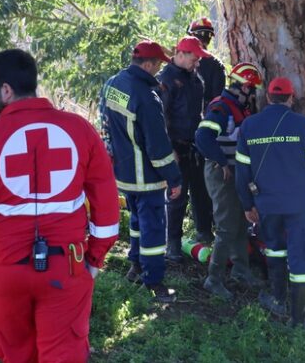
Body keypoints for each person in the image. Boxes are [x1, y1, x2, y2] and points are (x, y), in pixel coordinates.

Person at [0, 49, 119, 362]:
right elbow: (106, 204)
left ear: (7, 90)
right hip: (67, 265)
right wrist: (95, 259)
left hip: (5, 267)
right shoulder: (81, 130)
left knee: (15, 351)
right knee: (64, 351)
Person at [235, 77, 305, 326]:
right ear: (290, 98)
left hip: (266, 205)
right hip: (300, 206)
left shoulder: (249, 126)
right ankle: (300, 317)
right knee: (303, 259)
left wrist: (247, 205)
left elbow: (241, 172)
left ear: (268, 97)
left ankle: (278, 299)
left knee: (275, 249)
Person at [100, 40, 182, 302]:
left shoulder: (113, 83)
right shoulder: (146, 97)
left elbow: (105, 125)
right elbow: (157, 147)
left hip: (123, 173)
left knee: (136, 222)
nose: (158, 71)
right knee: (154, 229)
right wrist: (173, 177)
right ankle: (154, 281)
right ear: (147, 64)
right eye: (157, 65)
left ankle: (135, 266)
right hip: (146, 177)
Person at [195, 62, 264, 299]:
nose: (254, 95)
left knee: (239, 223)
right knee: (226, 226)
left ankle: (240, 271)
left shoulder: (238, 108)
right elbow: (203, 137)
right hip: (220, 172)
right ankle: (213, 279)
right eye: (252, 89)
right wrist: (222, 162)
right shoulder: (221, 108)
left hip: (235, 172)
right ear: (243, 87)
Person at [158, 35, 215, 260]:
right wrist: (168, 149)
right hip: (175, 147)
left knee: (202, 192)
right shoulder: (166, 80)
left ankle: (204, 232)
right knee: (176, 196)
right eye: (195, 58)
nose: (197, 63)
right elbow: (159, 117)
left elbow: (198, 113)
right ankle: (172, 243)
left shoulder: (196, 80)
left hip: (194, 145)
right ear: (180, 54)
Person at [187, 17, 226, 108]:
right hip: (208, 113)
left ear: (192, 36)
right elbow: (218, 96)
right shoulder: (217, 65)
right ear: (210, 38)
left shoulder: (183, 61)